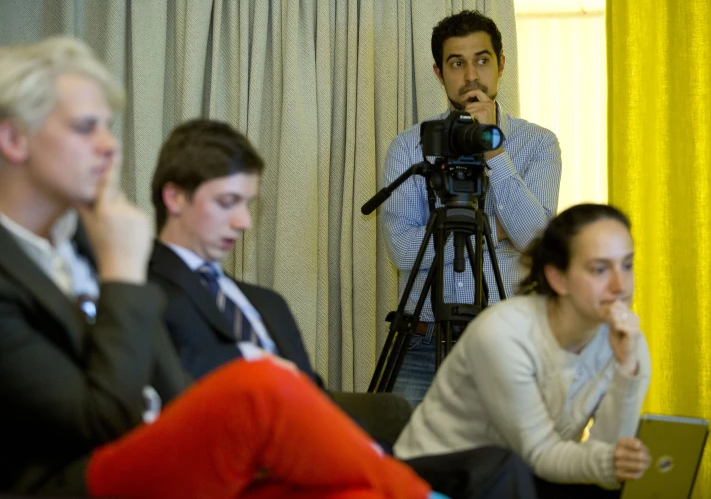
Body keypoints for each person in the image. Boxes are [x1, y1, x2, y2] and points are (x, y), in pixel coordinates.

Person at [0, 36, 442, 499]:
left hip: (167, 454)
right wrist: (122, 276)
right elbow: (99, 422)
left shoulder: (86, 244)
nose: (110, 146)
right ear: (14, 139)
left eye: (109, 127)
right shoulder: (51, 266)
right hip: (73, 480)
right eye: (86, 128)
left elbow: (170, 391)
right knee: (258, 387)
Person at [394, 204, 653, 498]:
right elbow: (540, 454)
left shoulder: (627, 342)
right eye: (600, 269)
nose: (620, 285)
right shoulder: (504, 332)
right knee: (511, 467)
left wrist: (627, 372)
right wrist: (607, 463)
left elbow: (607, 466)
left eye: (627, 265)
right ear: (558, 278)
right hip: (436, 480)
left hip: (526, 474)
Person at [380, 10, 562, 406]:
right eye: (456, 63)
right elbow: (403, 250)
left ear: (501, 65)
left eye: (481, 60)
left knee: (502, 465)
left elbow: (535, 239)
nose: (471, 75)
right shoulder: (410, 146)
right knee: (405, 463)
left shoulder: (538, 144)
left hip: (508, 343)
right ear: (438, 73)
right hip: (422, 342)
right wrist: (493, 228)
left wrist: (494, 150)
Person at [148, 118, 316, 382]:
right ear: (175, 198)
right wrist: (253, 362)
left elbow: (318, 398)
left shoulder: (271, 305)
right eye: (227, 202)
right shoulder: (139, 290)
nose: (245, 223)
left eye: (248, 205)